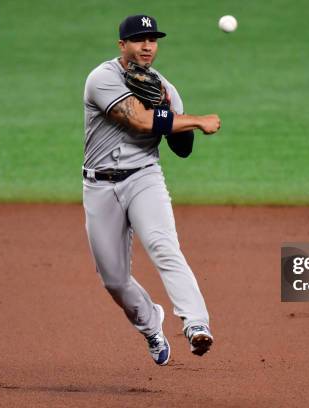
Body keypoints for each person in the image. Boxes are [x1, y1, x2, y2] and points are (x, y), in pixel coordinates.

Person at [82, 14, 220, 366]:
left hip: (144, 178)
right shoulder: (103, 78)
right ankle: (150, 324)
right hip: (99, 184)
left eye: (152, 40)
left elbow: (183, 149)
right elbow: (140, 120)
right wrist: (195, 119)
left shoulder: (165, 88)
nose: (147, 46)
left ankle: (196, 324)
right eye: (139, 39)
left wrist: (169, 109)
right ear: (122, 45)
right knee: (114, 279)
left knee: (164, 246)